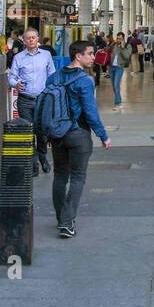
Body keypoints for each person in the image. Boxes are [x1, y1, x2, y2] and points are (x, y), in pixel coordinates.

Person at [49, 38, 111, 238]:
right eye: (90, 54)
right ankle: (67, 223)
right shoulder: (85, 80)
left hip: (57, 134)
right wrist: (102, 134)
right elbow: (90, 112)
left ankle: (62, 218)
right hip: (78, 134)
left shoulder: (53, 77)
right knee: (77, 178)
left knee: (59, 176)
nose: (93, 57)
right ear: (78, 56)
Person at [8, 28, 56, 173]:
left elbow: (52, 74)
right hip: (25, 100)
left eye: (33, 37)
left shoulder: (46, 55)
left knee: (42, 133)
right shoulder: (19, 58)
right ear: (24, 41)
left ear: (37, 39)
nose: (31, 40)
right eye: (28, 38)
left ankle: (43, 158)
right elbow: (11, 77)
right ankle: (33, 164)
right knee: (28, 133)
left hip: (42, 100)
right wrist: (16, 84)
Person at [109, 33, 130, 110]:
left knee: (116, 85)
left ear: (123, 39)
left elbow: (127, 56)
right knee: (114, 87)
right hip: (112, 67)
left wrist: (122, 47)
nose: (119, 40)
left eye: (120, 39)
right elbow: (108, 50)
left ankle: (117, 104)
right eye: (118, 38)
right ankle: (119, 100)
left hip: (119, 67)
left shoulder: (127, 46)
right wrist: (112, 43)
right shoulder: (114, 44)